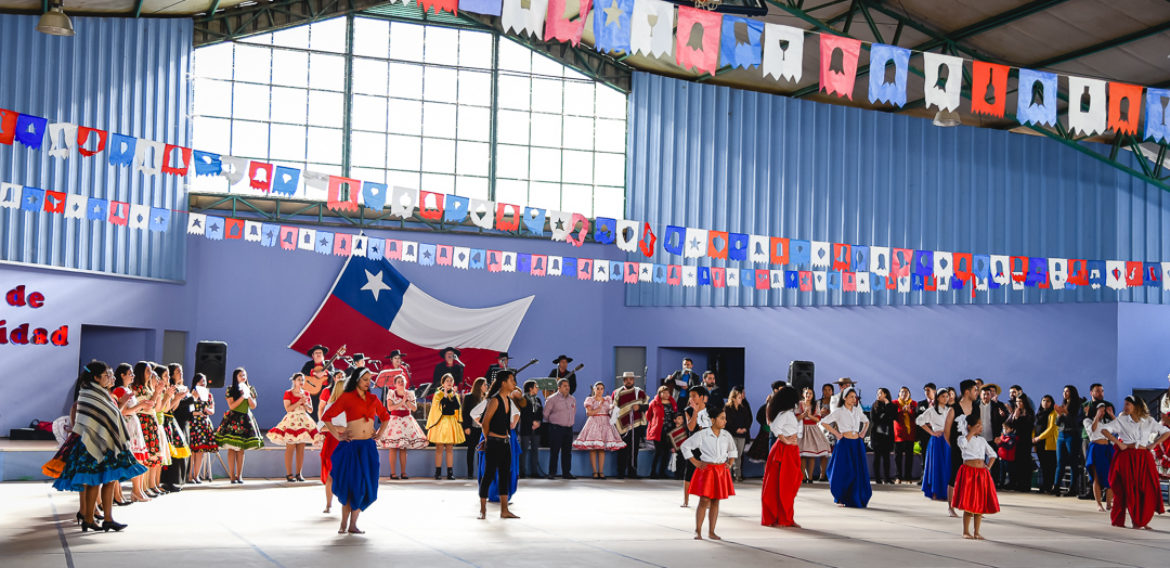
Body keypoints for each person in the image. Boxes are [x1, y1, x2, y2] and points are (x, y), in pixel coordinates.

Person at [51, 362, 147, 533]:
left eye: (111, 374)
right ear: (96, 378)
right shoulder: (89, 395)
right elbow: (98, 418)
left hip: (106, 443)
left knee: (109, 480)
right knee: (93, 481)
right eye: (107, 375)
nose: (111, 377)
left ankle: (108, 518)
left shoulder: (102, 394)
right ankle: (88, 518)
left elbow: (112, 416)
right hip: (90, 444)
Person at [321, 367, 392, 534]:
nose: (368, 383)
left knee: (365, 485)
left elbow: (385, 417)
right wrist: (338, 435)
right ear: (357, 380)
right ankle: (343, 524)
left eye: (369, 380)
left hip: (367, 447)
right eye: (365, 379)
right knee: (350, 485)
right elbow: (326, 417)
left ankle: (353, 524)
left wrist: (380, 433)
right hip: (351, 447)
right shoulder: (347, 398)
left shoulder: (373, 398)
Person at [1101, 396, 1170, 529]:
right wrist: (1118, 443)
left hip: (1144, 457)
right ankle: (1127, 520)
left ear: (1136, 406)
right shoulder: (1122, 420)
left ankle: (1141, 520)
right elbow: (1104, 430)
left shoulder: (1148, 420)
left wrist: (1154, 444)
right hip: (1127, 457)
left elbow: (1166, 432)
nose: (1125, 407)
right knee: (1129, 489)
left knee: (1146, 489)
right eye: (1125, 404)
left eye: (1128, 404)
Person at [681, 403, 736, 540]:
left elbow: (732, 450)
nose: (725, 421)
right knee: (704, 500)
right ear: (712, 420)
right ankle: (698, 530)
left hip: (720, 470)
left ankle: (712, 531)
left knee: (716, 500)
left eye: (725, 418)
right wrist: (695, 462)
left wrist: (730, 463)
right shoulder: (703, 434)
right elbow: (685, 446)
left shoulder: (726, 435)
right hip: (707, 470)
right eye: (722, 418)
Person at [477, 371, 521, 520]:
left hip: (505, 443)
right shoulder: (494, 401)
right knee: (488, 475)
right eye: (512, 380)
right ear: (503, 382)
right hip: (494, 443)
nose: (514, 383)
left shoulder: (508, 400)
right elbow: (485, 422)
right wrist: (488, 440)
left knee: (504, 476)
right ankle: (483, 510)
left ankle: (504, 510)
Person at [821, 387, 872, 508]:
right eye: (851, 397)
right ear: (844, 398)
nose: (854, 399)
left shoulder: (857, 411)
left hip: (857, 444)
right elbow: (824, 422)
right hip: (844, 444)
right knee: (844, 470)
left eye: (855, 397)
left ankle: (855, 497)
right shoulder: (839, 411)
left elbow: (866, 421)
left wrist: (863, 432)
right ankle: (841, 495)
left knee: (857, 470)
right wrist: (837, 434)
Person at [953, 414, 999, 540]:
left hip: (981, 474)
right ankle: (966, 531)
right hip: (968, 473)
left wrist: (988, 467)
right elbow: (963, 445)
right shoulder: (963, 438)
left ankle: (977, 532)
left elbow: (993, 454)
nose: (981, 427)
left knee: (980, 504)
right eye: (978, 425)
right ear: (970, 426)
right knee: (969, 504)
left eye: (981, 425)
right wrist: (971, 433)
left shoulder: (982, 441)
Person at [761, 386, 802, 528]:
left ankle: (787, 517)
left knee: (789, 485)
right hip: (784, 451)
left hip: (791, 450)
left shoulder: (788, 413)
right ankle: (781, 518)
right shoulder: (784, 414)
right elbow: (774, 427)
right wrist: (785, 440)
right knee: (782, 485)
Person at [267, 373, 319, 482]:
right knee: (290, 448)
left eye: (302, 380)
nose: (301, 382)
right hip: (292, 419)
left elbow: (310, 410)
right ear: (294, 381)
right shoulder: (288, 393)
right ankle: (289, 474)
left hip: (303, 420)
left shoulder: (306, 393)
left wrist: (305, 403)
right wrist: (299, 402)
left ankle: (299, 473)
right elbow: (288, 408)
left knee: (301, 449)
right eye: (299, 379)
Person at [214, 367, 263, 484]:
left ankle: (239, 475)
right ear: (236, 377)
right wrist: (242, 396)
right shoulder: (231, 389)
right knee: (232, 449)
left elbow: (253, 406)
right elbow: (232, 406)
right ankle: (232, 476)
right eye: (241, 375)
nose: (243, 377)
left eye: (244, 375)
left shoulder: (251, 388)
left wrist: (248, 395)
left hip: (246, 419)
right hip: (234, 419)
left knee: (241, 449)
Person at [110, 363, 150, 502]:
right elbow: (123, 411)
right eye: (130, 373)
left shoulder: (128, 390)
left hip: (133, 424)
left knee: (139, 459)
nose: (133, 376)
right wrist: (140, 406)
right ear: (122, 375)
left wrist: (142, 406)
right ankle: (123, 493)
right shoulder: (120, 390)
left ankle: (137, 490)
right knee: (129, 459)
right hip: (126, 426)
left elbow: (132, 410)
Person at [574, 381, 626, 479]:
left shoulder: (607, 399)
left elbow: (611, 413)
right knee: (593, 449)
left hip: (605, 424)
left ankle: (601, 471)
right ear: (594, 389)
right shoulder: (590, 400)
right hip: (594, 423)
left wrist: (613, 410)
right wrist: (599, 407)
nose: (599, 390)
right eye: (597, 388)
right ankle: (594, 471)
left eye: (601, 389)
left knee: (602, 449)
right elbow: (589, 413)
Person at [381, 375, 428, 479]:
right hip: (395, 420)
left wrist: (407, 401)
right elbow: (390, 407)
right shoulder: (391, 393)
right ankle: (393, 473)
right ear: (395, 384)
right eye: (398, 381)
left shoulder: (410, 393)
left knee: (403, 448)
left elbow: (414, 408)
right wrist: (402, 402)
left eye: (402, 381)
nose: (401, 383)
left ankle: (403, 472)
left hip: (406, 419)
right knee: (393, 447)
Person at [131, 361, 165, 496]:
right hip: (143, 422)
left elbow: (156, 408)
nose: (150, 374)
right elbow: (148, 406)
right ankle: (141, 488)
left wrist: (158, 392)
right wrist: (157, 393)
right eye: (148, 371)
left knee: (152, 456)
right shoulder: (136, 388)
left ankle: (146, 487)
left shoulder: (147, 388)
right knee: (143, 457)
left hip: (151, 421)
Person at [945, 380, 980, 505]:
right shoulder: (954, 409)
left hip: (973, 448)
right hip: (958, 447)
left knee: (974, 476)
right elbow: (947, 431)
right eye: (975, 390)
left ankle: (971, 504)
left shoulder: (976, 408)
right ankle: (951, 506)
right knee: (955, 475)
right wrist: (954, 445)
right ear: (967, 391)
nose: (977, 392)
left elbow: (978, 426)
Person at [918, 387, 953, 508]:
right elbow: (919, 421)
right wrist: (932, 432)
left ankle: (948, 493)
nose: (946, 398)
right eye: (943, 396)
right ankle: (935, 492)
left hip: (948, 440)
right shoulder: (931, 410)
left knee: (948, 465)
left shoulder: (950, 410)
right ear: (938, 397)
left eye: (947, 396)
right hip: (937, 440)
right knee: (937, 466)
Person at [426, 373, 466, 480]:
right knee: (439, 448)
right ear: (443, 383)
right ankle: (437, 472)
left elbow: (456, 406)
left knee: (449, 448)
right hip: (440, 422)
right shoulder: (438, 394)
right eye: (447, 381)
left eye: (451, 381)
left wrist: (452, 395)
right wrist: (444, 395)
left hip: (451, 422)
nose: (449, 383)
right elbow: (440, 407)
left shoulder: (454, 394)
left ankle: (450, 472)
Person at [318, 372, 347, 513]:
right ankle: (329, 504)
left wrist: (333, 427)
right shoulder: (330, 407)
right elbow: (321, 426)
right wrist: (336, 427)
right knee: (331, 475)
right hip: (334, 443)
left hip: (344, 442)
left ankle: (343, 504)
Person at [162, 363, 193, 492]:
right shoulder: (170, 388)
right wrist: (179, 398)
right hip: (174, 420)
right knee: (174, 452)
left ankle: (180, 479)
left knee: (183, 451)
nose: (181, 373)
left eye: (181, 371)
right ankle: (170, 481)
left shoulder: (183, 388)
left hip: (184, 422)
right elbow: (172, 408)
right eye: (177, 371)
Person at [612, 371, 648, 479]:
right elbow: (614, 409)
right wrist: (613, 424)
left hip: (635, 426)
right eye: (626, 379)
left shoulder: (639, 392)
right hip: (621, 426)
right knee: (621, 450)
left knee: (634, 451)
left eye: (630, 379)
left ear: (634, 380)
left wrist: (639, 407)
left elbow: (647, 406)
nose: (628, 381)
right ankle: (620, 473)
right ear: (623, 380)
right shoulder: (617, 392)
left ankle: (632, 472)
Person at [682, 385, 712, 507]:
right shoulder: (688, 410)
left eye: (694, 396)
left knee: (708, 473)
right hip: (694, 445)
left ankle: (707, 499)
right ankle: (686, 500)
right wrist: (695, 411)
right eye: (690, 396)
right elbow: (691, 427)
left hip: (707, 445)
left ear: (701, 397)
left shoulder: (710, 410)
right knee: (689, 472)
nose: (692, 398)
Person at [1083, 401, 1115, 513]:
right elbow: (1092, 429)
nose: (1102, 412)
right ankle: (1099, 503)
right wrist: (1097, 415)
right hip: (1096, 448)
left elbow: (1119, 428)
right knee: (1097, 477)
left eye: (1103, 409)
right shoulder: (1088, 420)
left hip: (1107, 448)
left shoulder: (1107, 421)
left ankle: (1109, 503)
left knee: (1111, 476)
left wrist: (1111, 415)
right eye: (1100, 409)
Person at [1054, 385, 1085, 497]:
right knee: (1060, 461)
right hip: (1061, 434)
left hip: (1073, 434)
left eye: (1067, 391)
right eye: (1064, 391)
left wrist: (1066, 413)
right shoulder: (1063, 405)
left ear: (1072, 392)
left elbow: (1077, 421)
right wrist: (1059, 414)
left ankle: (1073, 488)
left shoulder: (1078, 405)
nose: (1065, 393)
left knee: (1073, 462)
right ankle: (1056, 486)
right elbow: (1057, 423)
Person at [186, 373, 217, 484]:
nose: (203, 383)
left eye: (204, 381)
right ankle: (189, 476)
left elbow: (212, 410)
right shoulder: (191, 394)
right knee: (192, 451)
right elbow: (188, 410)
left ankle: (196, 475)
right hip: (193, 423)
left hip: (204, 424)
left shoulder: (209, 395)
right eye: (201, 381)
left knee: (200, 451)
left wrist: (208, 411)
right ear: (195, 382)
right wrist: (198, 411)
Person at [543, 378, 577, 479]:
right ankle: (552, 473)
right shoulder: (552, 399)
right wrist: (555, 422)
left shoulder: (572, 399)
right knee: (555, 451)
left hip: (569, 429)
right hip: (556, 428)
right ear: (559, 387)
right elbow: (545, 414)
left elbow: (573, 412)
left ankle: (566, 473)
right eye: (565, 386)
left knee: (567, 452)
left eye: (568, 386)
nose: (567, 388)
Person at [977, 384, 1008, 487]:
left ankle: (994, 482)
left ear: (991, 395)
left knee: (993, 460)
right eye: (984, 394)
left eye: (988, 394)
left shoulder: (997, 406)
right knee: (978, 461)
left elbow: (1006, 419)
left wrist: (1003, 416)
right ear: (980, 395)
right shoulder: (975, 405)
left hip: (992, 438)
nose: (986, 396)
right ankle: (978, 482)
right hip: (978, 438)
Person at [1006, 385, 1035, 492]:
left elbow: (1026, 427)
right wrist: (1014, 416)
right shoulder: (1015, 411)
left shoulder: (1029, 413)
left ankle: (1025, 484)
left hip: (1025, 440)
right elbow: (1009, 425)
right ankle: (1017, 483)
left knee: (1025, 462)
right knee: (1016, 463)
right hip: (1016, 441)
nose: (1018, 403)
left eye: (1021, 401)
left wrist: (1017, 419)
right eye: (1017, 402)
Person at [798, 386, 830, 483]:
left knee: (811, 454)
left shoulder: (815, 405)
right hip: (802, 429)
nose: (808, 395)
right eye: (806, 393)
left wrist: (809, 415)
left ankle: (810, 477)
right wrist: (803, 415)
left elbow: (818, 419)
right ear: (803, 394)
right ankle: (803, 476)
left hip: (813, 430)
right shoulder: (799, 404)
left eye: (810, 393)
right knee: (803, 454)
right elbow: (796, 417)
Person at [647, 385, 677, 479]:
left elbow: (675, 415)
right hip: (658, 431)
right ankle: (653, 472)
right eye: (664, 392)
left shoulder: (672, 402)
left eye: (668, 392)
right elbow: (649, 416)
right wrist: (655, 423)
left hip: (669, 431)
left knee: (666, 452)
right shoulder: (653, 403)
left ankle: (662, 472)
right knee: (658, 452)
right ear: (660, 393)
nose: (667, 394)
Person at [1032, 394, 1060, 495]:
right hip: (1038, 443)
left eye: (1048, 401)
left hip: (1049, 443)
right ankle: (1043, 486)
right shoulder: (1038, 413)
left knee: (1050, 466)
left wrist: (1039, 438)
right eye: (1043, 400)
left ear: (1051, 403)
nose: (1045, 403)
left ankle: (1050, 486)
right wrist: (1033, 439)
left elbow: (1051, 429)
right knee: (1043, 466)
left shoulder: (1053, 414)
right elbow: (1034, 427)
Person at [724, 386, 752, 482]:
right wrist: (735, 429)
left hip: (742, 435)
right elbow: (727, 421)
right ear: (734, 398)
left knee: (738, 455)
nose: (741, 399)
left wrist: (744, 429)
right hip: (731, 434)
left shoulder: (743, 409)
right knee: (730, 455)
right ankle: (728, 475)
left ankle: (737, 475)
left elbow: (747, 420)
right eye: (739, 397)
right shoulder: (727, 408)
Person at [869, 387, 896, 484]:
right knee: (877, 458)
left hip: (887, 436)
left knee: (887, 458)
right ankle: (877, 478)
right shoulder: (875, 405)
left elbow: (893, 417)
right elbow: (874, 419)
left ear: (885, 394)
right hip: (877, 436)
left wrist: (887, 405)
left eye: (880, 393)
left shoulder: (891, 405)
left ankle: (887, 478)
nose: (878, 395)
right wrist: (885, 416)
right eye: (878, 393)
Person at [461, 377, 487, 479]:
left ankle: (482, 472)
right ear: (479, 386)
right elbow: (465, 413)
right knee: (471, 450)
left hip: (484, 428)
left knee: (483, 451)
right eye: (484, 385)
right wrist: (466, 426)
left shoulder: (487, 398)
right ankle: (470, 473)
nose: (486, 387)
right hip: (472, 427)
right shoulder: (469, 397)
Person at [518, 379, 544, 479]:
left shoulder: (537, 400)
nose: (537, 389)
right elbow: (523, 414)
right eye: (536, 387)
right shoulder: (523, 399)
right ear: (530, 388)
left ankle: (534, 472)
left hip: (536, 429)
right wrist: (531, 422)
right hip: (526, 428)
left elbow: (540, 413)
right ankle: (522, 472)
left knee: (535, 450)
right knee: (523, 450)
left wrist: (538, 422)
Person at [893, 386, 918, 484]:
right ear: (899, 394)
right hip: (899, 435)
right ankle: (898, 477)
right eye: (902, 392)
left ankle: (908, 477)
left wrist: (909, 411)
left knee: (909, 458)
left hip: (910, 434)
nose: (904, 394)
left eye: (906, 392)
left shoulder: (914, 404)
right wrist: (901, 411)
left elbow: (917, 416)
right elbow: (893, 416)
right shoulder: (895, 403)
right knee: (897, 457)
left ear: (909, 394)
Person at [915, 382, 938, 482]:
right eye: (925, 391)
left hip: (937, 434)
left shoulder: (940, 403)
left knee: (937, 456)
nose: (926, 393)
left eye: (928, 390)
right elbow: (918, 419)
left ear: (934, 391)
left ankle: (936, 478)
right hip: (924, 435)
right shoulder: (921, 404)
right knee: (925, 455)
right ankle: (924, 478)